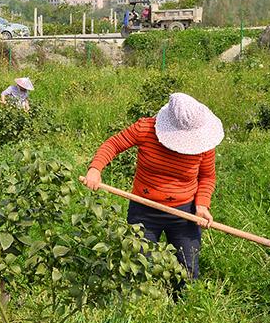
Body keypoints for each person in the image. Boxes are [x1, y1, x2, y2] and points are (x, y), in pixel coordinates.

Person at [82, 93, 224, 292]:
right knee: (140, 265)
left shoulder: (203, 143)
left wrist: (201, 206)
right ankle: (145, 310)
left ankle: (181, 309)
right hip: (144, 210)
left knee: (188, 268)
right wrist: (95, 169)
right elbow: (113, 144)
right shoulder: (146, 129)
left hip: (184, 212)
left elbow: (207, 177)